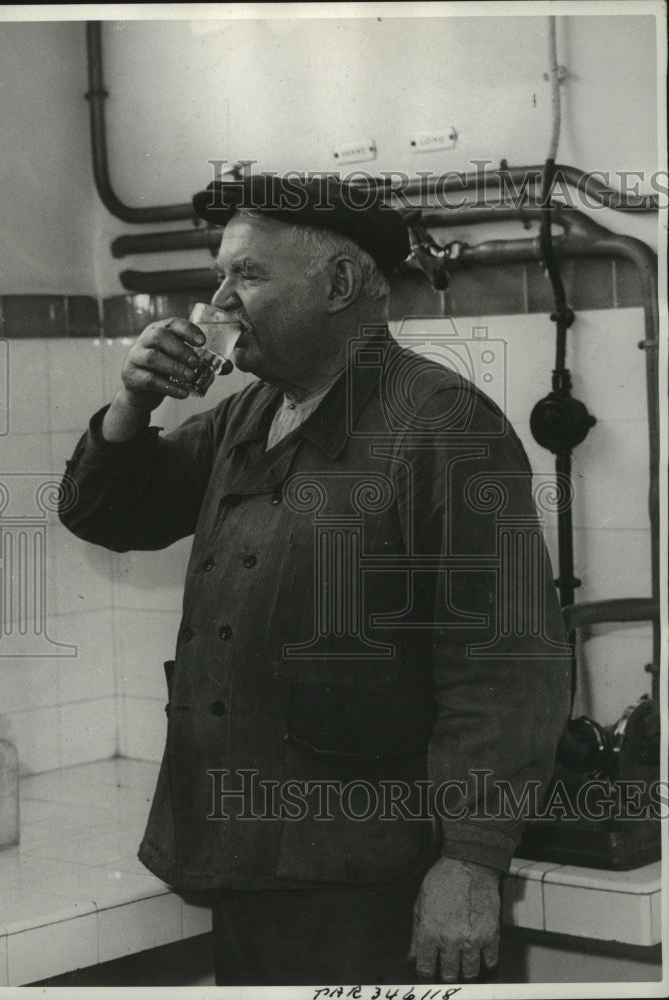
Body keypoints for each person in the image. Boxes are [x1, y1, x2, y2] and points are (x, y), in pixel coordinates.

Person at [59, 174, 570, 986]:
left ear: (338, 285)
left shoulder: (440, 424)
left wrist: (472, 861)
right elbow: (107, 514)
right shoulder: (250, 414)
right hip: (242, 857)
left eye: (248, 276)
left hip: (365, 878)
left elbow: (507, 664)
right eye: (220, 275)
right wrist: (132, 405)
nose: (220, 300)